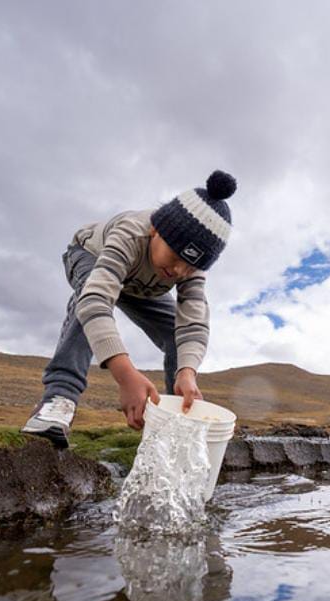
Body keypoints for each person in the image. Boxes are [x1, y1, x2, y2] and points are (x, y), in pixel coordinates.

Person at [22, 170, 236, 445]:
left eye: (191, 265)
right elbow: (95, 301)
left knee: (176, 334)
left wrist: (187, 371)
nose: (178, 270)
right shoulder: (130, 233)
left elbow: (192, 324)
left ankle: (176, 420)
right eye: (175, 256)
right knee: (89, 297)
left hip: (140, 289)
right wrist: (126, 377)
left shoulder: (188, 271)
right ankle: (58, 402)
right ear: (155, 230)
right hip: (91, 256)